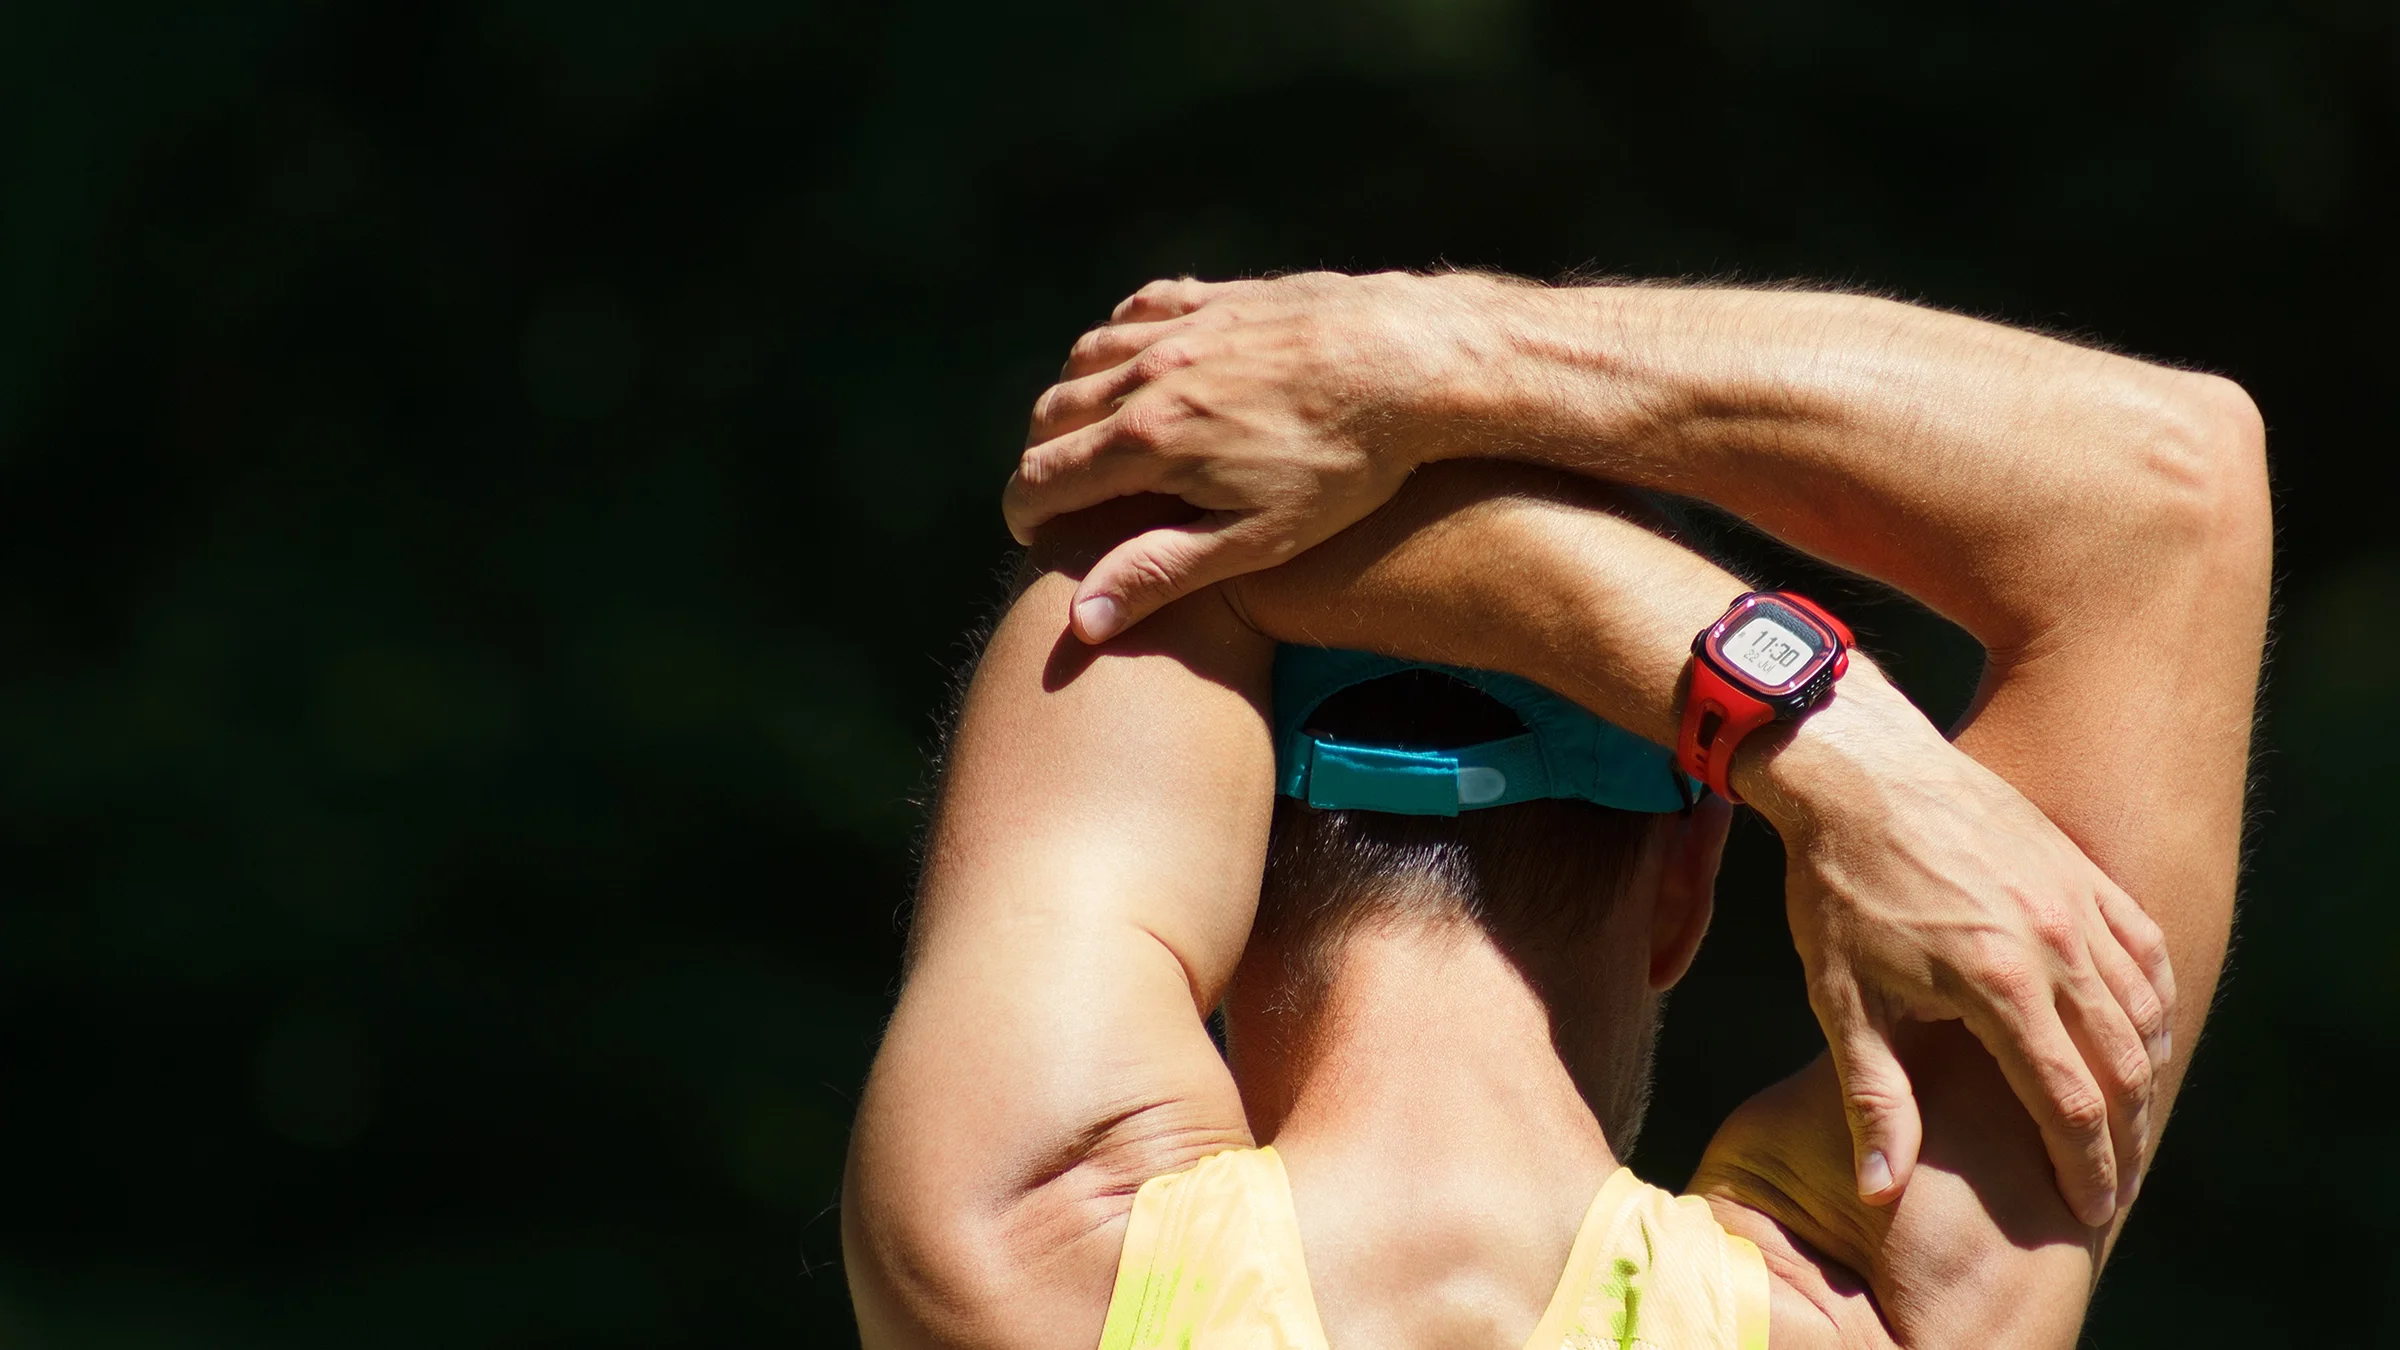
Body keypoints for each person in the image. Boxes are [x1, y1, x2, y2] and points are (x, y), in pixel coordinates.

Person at [845, 276, 2268, 1347]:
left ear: (1223, 845)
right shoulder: (1880, 1316)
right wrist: (1435, 355)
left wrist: (1800, 730)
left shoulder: (1022, 1246)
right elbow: (2173, 490)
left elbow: (1153, 542)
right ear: (1685, 877)